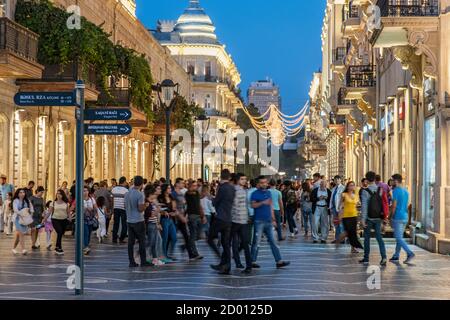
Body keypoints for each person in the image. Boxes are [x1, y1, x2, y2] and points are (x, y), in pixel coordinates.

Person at [250, 176, 290, 270]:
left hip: (268, 221)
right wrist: (263, 202)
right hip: (258, 221)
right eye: (262, 182)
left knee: (273, 242)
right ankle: (252, 261)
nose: (264, 184)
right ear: (258, 184)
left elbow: (270, 206)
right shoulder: (254, 193)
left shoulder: (268, 192)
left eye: (265, 182)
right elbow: (253, 205)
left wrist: (273, 219)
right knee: (256, 242)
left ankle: (279, 261)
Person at [209, 169, 236, 275]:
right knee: (226, 243)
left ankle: (219, 257)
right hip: (229, 218)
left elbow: (216, 203)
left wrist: (212, 199)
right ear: (229, 177)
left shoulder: (222, 188)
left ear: (221, 176)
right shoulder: (232, 188)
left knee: (210, 238)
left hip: (220, 217)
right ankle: (226, 265)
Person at [359, 171, 388, 266]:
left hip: (369, 218)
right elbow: (384, 204)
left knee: (366, 238)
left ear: (366, 180)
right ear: (375, 179)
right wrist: (384, 218)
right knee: (379, 237)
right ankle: (383, 257)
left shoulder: (364, 191)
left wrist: (362, 220)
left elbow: (364, 207)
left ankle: (366, 258)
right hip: (378, 218)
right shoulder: (381, 190)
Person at [125, 176, 151, 268]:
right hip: (138, 220)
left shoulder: (127, 193)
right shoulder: (140, 194)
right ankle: (143, 261)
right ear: (141, 184)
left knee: (130, 243)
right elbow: (140, 209)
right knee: (141, 241)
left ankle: (131, 262)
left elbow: (126, 206)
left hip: (129, 220)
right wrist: (146, 205)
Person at [389, 174, 415, 264]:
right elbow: (407, 205)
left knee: (398, 237)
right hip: (405, 216)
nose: (391, 182)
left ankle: (409, 253)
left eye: (392, 180)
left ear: (396, 181)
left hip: (398, 217)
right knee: (399, 237)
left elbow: (394, 206)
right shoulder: (406, 191)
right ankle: (396, 255)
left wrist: (390, 216)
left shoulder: (396, 191)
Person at [231, 173, 252, 274]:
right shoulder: (235, 190)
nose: (244, 181)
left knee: (243, 243)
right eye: (242, 179)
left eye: (245, 179)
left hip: (241, 220)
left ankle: (248, 265)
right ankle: (247, 265)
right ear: (237, 180)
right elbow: (233, 205)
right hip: (236, 220)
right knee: (239, 243)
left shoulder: (243, 191)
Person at [337, 181, 363, 253]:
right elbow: (340, 206)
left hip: (354, 215)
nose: (352, 187)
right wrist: (339, 215)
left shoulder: (356, 195)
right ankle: (337, 241)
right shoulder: (344, 195)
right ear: (347, 187)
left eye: (353, 185)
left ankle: (353, 248)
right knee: (347, 232)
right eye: (350, 185)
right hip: (346, 216)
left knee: (353, 233)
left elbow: (358, 204)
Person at [184, 180, 205, 256]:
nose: (195, 187)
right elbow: (189, 192)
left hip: (198, 215)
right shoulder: (188, 193)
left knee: (199, 235)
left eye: (196, 186)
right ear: (189, 186)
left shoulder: (196, 193)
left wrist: (203, 216)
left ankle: (187, 245)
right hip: (192, 216)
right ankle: (195, 253)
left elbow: (199, 205)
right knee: (193, 235)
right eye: (193, 186)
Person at [12, 189, 34, 255]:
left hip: (24, 220)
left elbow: (31, 208)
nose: (22, 193)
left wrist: (30, 215)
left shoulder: (27, 201)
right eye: (20, 192)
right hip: (17, 219)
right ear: (18, 194)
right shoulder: (15, 201)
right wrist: (22, 213)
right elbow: (15, 209)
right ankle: (23, 249)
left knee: (19, 235)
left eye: (23, 192)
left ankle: (13, 248)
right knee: (21, 233)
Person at [158, 184, 178, 260]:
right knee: (165, 238)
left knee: (174, 238)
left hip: (171, 219)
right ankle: (164, 255)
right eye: (169, 188)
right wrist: (164, 213)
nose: (170, 189)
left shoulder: (171, 197)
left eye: (170, 188)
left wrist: (175, 212)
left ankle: (169, 253)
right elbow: (158, 209)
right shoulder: (160, 198)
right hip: (164, 220)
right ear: (165, 189)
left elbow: (174, 208)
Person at [49, 190, 70, 255]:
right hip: (55, 219)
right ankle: (59, 248)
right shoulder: (53, 203)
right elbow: (49, 212)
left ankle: (57, 247)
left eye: (60, 194)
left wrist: (70, 218)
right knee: (60, 232)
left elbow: (68, 212)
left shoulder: (66, 203)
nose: (58, 195)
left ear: (62, 195)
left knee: (61, 233)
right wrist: (44, 219)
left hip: (64, 220)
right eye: (57, 194)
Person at [111, 177, 129, 244]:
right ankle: (121, 238)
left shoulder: (114, 189)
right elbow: (126, 201)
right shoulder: (126, 190)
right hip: (123, 209)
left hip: (116, 208)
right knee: (124, 224)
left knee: (116, 224)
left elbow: (112, 199)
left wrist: (113, 207)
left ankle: (114, 239)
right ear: (124, 182)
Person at [330, 176, 345, 243]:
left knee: (341, 224)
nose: (336, 181)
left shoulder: (343, 188)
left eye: (337, 179)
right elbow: (332, 198)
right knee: (336, 224)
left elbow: (343, 199)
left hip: (340, 209)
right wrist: (330, 207)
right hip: (334, 208)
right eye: (335, 180)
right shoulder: (333, 189)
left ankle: (342, 239)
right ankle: (337, 238)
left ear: (340, 180)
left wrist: (341, 207)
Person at [83, 187, 97, 255]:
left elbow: (95, 208)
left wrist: (93, 211)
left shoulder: (92, 199)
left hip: (91, 218)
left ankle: (86, 245)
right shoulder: (80, 199)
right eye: (83, 191)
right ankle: (85, 247)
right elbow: (75, 207)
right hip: (83, 218)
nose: (85, 192)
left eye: (86, 191)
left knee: (89, 233)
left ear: (88, 192)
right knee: (85, 232)